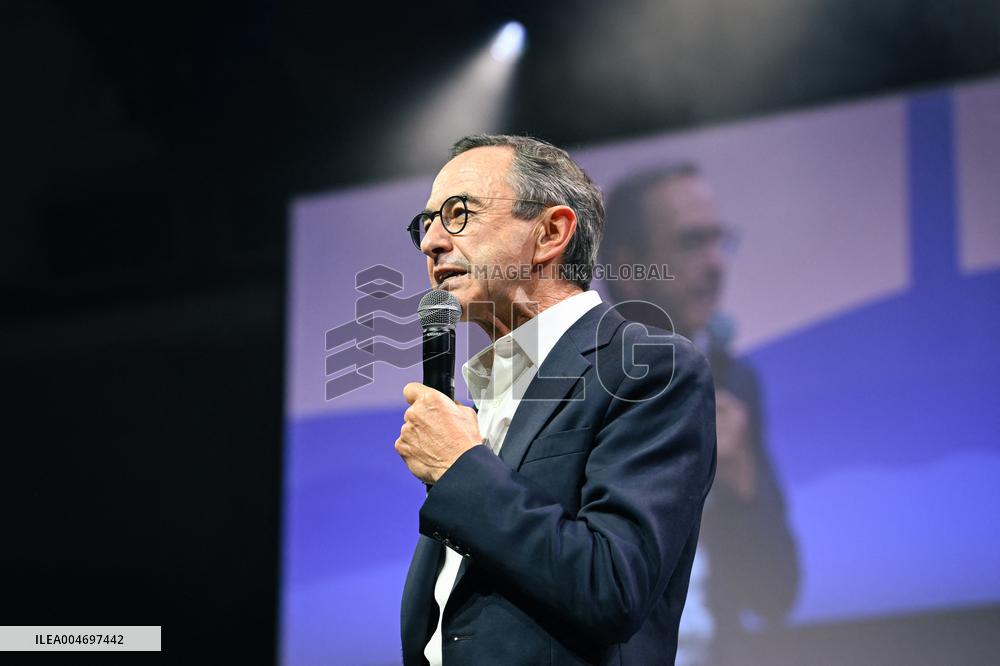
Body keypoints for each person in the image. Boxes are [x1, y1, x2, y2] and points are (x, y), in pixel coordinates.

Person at [395, 135, 717, 665]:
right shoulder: (485, 399)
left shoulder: (648, 367)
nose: (431, 242)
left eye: (457, 214)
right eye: (424, 224)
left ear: (550, 232)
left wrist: (460, 469)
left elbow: (613, 584)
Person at [602, 164, 799, 665]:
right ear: (629, 270)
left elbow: (775, 594)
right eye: (691, 243)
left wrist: (739, 477)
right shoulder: (579, 392)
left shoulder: (733, 382)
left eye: (718, 240)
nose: (715, 264)